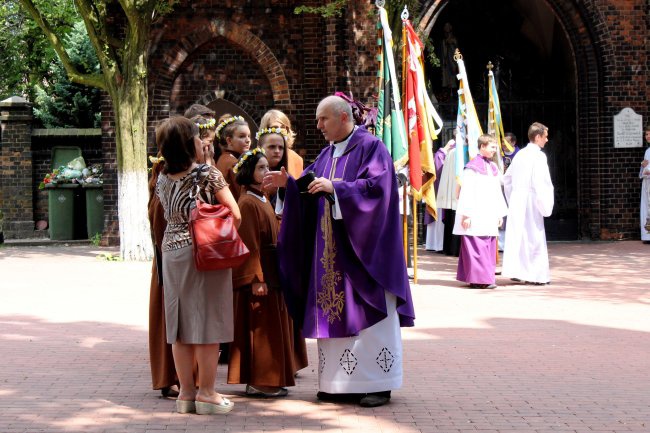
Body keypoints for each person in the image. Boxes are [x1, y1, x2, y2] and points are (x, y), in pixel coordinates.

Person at [263, 95, 415, 408]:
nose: (318, 126)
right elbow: (308, 187)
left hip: (365, 257)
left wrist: (338, 190)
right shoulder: (327, 153)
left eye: (323, 119)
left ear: (343, 118)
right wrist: (287, 186)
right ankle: (339, 383)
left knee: (368, 319)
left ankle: (378, 385)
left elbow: (380, 191)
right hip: (331, 257)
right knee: (335, 314)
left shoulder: (372, 147)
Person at [155, 116, 240, 415]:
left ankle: (186, 394)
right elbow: (235, 213)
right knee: (207, 323)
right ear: (188, 142)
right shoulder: (207, 174)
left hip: (171, 252)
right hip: (205, 251)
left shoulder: (163, 176)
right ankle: (207, 393)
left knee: (179, 325)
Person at [227, 148, 299, 397]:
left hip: (273, 272)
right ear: (248, 172)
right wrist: (256, 279)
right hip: (262, 275)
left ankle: (270, 378)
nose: (266, 171)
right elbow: (248, 243)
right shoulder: (247, 202)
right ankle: (260, 380)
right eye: (261, 168)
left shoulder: (262, 197)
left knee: (271, 327)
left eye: (267, 167)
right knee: (261, 327)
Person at [255, 127, 310, 373]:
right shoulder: (255, 178)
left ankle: (291, 361)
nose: (277, 151)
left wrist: (289, 187)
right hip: (266, 257)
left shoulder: (293, 171)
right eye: (271, 147)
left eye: (280, 147)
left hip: (288, 251)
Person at [502, 122, 554, 285]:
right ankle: (537, 275)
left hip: (518, 199)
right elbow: (541, 182)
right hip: (531, 199)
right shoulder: (539, 156)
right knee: (534, 237)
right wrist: (544, 202)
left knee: (519, 236)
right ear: (537, 137)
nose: (547, 140)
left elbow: (507, 179)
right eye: (545, 136)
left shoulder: (520, 154)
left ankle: (518, 271)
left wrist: (513, 197)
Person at [453, 135, 508, 289]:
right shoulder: (472, 168)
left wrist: (499, 214)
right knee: (476, 245)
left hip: (489, 213)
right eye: (492, 147)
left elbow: (497, 191)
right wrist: (466, 215)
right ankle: (479, 280)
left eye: (495, 147)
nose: (494, 150)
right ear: (482, 146)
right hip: (475, 213)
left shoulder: (493, 167)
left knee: (487, 246)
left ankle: (485, 278)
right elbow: (467, 192)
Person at [147, 153, 179, 398]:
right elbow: (160, 233)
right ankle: (170, 376)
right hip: (169, 264)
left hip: (175, 262)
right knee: (169, 319)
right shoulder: (163, 189)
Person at [425, 139, 454, 251]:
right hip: (439, 192)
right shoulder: (440, 155)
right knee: (437, 219)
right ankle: (436, 245)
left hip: (445, 191)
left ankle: (438, 244)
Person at [215, 116, 251, 202]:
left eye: (249, 136)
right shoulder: (234, 164)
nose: (248, 140)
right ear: (229, 141)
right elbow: (242, 197)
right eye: (242, 136)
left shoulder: (223, 158)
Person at [259, 109, 304, 178]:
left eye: (283, 127)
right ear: (265, 129)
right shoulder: (255, 157)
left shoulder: (297, 159)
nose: (279, 131)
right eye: (275, 128)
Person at [436, 140, 461, 256]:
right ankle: (457, 249)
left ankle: (449, 248)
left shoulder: (452, 152)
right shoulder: (461, 152)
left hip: (451, 192)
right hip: (458, 192)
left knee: (452, 218)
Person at [640, 125, 650, 243]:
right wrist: (643, 167)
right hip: (647, 183)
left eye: (649, 134)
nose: (647, 136)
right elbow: (643, 169)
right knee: (646, 208)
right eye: (646, 134)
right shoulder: (647, 151)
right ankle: (647, 235)